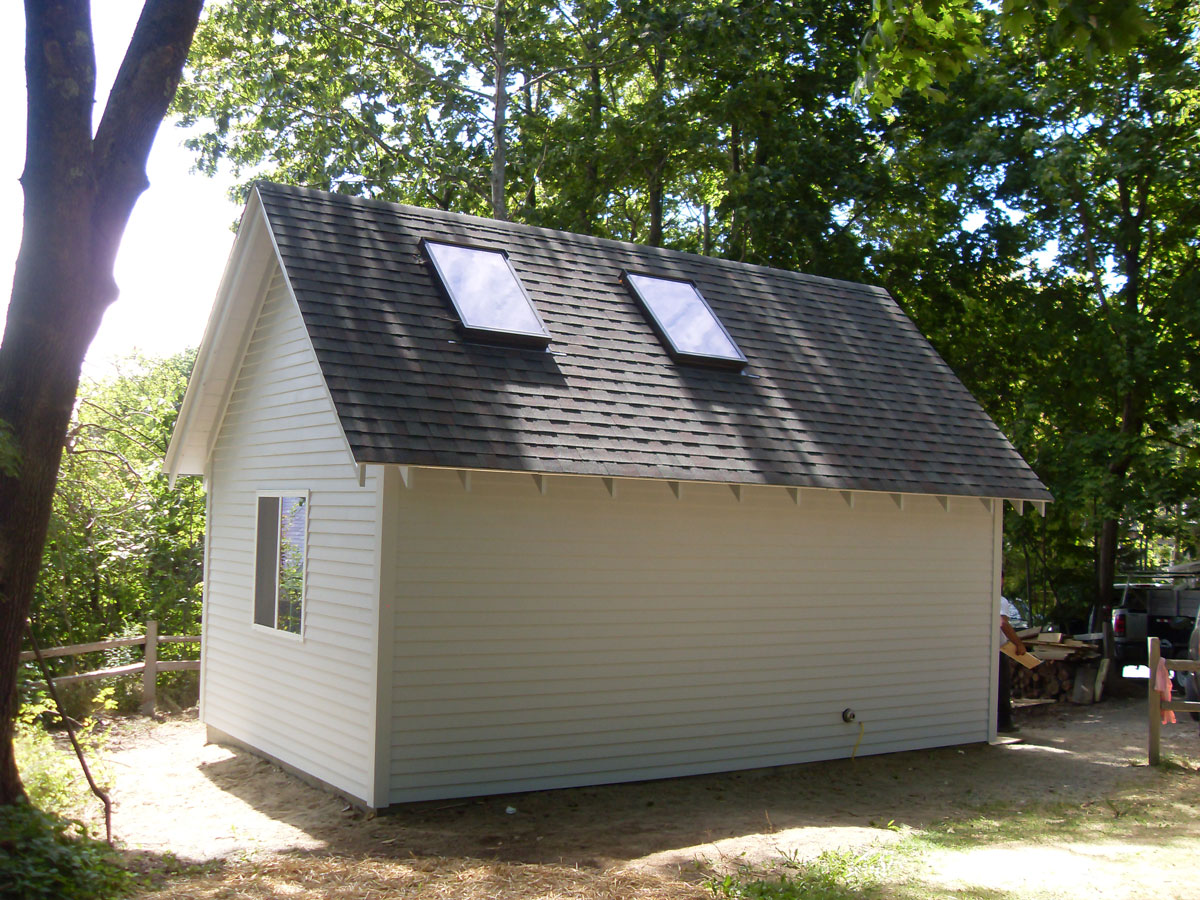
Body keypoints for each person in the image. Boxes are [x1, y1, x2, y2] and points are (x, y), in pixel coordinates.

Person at [998, 600, 1027, 733]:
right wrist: (1018, 644)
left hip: (988, 647)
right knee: (1003, 686)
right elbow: (1002, 622)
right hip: (999, 649)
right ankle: (1003, 723)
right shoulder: (1001, 600)